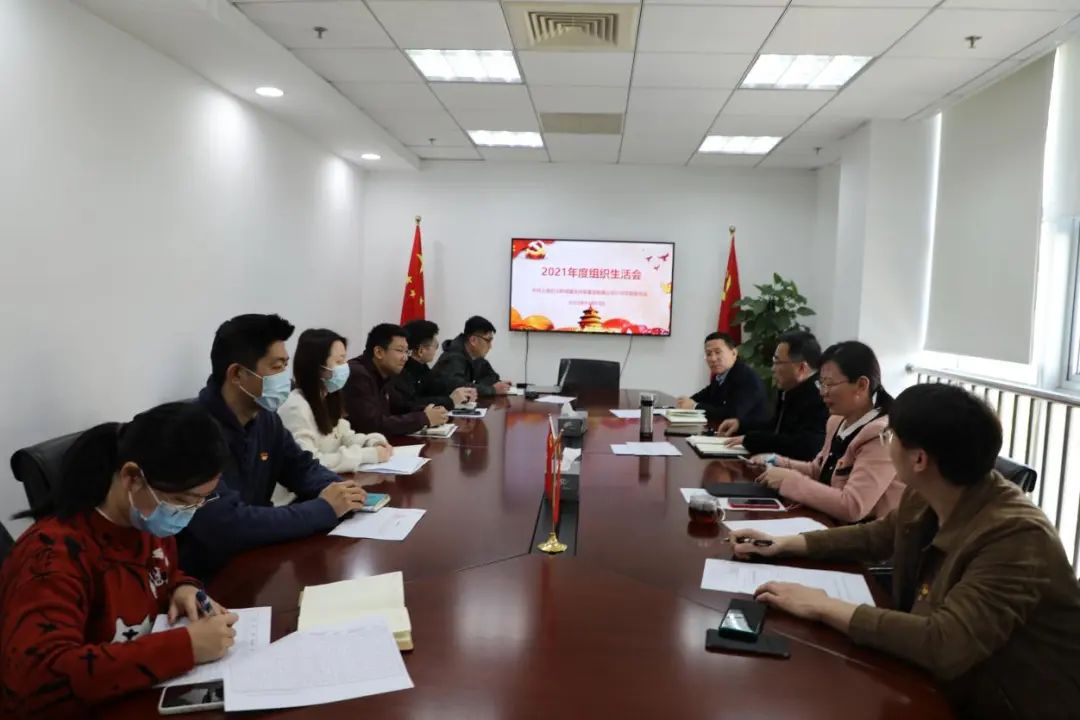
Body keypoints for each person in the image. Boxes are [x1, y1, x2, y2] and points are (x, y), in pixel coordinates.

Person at [732, 384, 1080, 720]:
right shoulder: (930, 489)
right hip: (940, 685)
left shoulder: (1017, 537)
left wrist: (822, 605)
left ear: (919, 459)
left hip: (1002, 705)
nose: (886, 444)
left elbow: (944, 644)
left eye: (890, 436)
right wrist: (785, 543)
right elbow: (877, 536)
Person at [0, 403, 239, 720]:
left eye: (200, 502)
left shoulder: (146, 524)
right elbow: (36, 679)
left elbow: (159, 576)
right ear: (131, 477)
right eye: (181, 501)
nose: (187, 514)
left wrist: (180, 588)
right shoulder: (52, 556)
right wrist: (185, 647)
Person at [180, 314, 368, 579]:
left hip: (257, 563)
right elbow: (227, 524)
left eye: (285, 366)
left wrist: (340, 489)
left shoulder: (265, 419)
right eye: (276, 367)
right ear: (237, 374)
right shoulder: (192, 432)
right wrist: (325, 509)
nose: (286, 379)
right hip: (208, 578)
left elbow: (301, 468)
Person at [747, 340, 901, 523]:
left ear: (861, 385)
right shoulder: (837, 421)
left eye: (829, 384)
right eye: (821, 384)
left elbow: (853, 506)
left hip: (865, 534)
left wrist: (790, 480)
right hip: (828, 521)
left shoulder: (882, 434)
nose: (823, 392)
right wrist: (778, 461)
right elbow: (818, 470)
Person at [278, 328, 394, 474]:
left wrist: (372, 442)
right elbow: (309, 462)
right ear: (317, 367)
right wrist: (367, 455)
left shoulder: (327, 398)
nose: (345, 366)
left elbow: (345, 437)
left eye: (345, 359)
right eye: (339, 361)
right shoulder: (295, 407)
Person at [718, 330, 828, 461]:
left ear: (801, 368)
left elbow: (805, 446)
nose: (772, 369)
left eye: (777, 362)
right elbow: (775, 427)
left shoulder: (820, 397)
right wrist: (741, 425)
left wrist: (751, 440)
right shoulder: (790, 389)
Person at [343, 323, 449, 435]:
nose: (405, 358)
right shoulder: (357, 374)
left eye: (406, 352)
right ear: (379, 352)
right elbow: (372, 425)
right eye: (400, 350)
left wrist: (426, 411)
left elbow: (398, 406)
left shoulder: (386, 372)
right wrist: (423, 419)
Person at [675, 331, 769, 426]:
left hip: (748, 433)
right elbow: (703, 396)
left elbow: (731, 415)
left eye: (718, 352)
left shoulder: (745, 378)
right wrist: (685, 402)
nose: (713, 359)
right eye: (709, 354)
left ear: (734, 353)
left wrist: (694, 406)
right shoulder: (721, 375)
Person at [394, 320, 477, 412]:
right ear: (421, 351)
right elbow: (411, 403)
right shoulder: (401, 372)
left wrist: (462, 393)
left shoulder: (422, 368)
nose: (436, 351)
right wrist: (450, 400)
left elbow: (437, 387)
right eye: (435, 346)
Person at [428, 315, 512, 397]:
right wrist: (492, 390)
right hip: (436, 405)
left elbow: (493, 376)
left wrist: (494, 386)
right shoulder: (453, 357)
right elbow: (458, 387)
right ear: (473, 340)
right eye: (488, 340)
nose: (490, 346)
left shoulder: (476, 357)